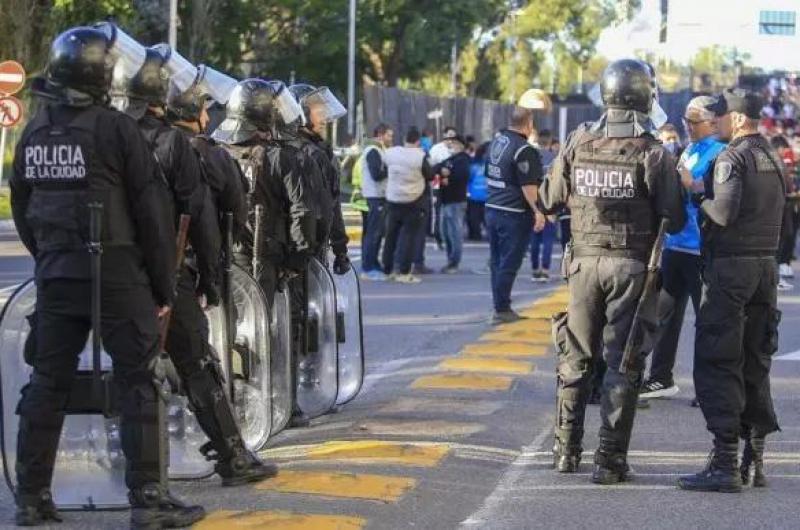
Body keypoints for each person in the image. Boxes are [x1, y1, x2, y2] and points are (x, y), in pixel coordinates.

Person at [10, 25, 205, 527]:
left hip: (57, 273)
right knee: (140, 381)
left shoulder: (36, 128)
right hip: (118, 272)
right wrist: (163, 287)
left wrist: (50, 257)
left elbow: (24, 207)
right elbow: (152, 218)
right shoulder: (115, 129)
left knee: (48, 381)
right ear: (103, 73)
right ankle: (149, 499)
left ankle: (32, 497)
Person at [539, 59, 685, 483]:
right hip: (632, 267)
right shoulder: (653, 150)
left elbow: (550, 198)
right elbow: (673, 218)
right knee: (623, 361)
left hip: (583, 264)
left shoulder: (578, 140)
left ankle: (565, 453)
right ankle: (609, 461)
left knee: (575, 356)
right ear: (643, 95)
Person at [164, 66, 278, 483]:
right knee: (198, 362)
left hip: (110, 272)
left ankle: (35, 492)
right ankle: (232, 457)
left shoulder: (126, 139)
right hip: (179, 271)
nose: (209, 116)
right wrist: (211, 281)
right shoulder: (204, 153)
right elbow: (219, 221)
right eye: (204, 108)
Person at [678, 88, 785, 493]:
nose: (717, 122)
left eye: (722, 116)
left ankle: (725, 463)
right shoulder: (771, 156)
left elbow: (722, 212)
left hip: (731, 270)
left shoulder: (732, 157)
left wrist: (695, 193)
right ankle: (753, 458)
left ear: (738, 119)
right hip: (765, 268)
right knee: (755, 361)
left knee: (719, 360)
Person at [640, 95, 727, 400]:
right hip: (675, 244)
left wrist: (691, 184)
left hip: (701, 248)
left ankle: (710, 386)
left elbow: (717, 193)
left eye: (695, 121)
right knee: (662, 315)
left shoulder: (722, 152)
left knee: (707, 320)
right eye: (687, 121)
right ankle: (660, 377)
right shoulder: (689, 149)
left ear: (713, 122)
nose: (689, 127)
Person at [212, 78, 317, 310]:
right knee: (262, 332)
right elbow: (304, 211)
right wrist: (296, 261)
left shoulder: (218, 154)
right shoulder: (280, 158)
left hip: (224, 255)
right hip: (266, 258)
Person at [485, 107, 546, 324]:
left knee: (497, 261)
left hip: (492, 207)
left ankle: (499, 304)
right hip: (514, 213)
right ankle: (502, 309)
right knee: (509, 262)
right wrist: (538, 211)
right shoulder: (523, 150)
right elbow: (528, 186)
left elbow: (489, 174)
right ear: (529, 124)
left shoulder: (497, 142)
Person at [288, 83, 352, 274]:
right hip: (311, 249)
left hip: (282, 251)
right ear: (302, 114)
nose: (325, 118)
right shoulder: (317, 155)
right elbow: (331, 206)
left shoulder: (278, 149)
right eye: (319, 111)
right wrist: (340, 251)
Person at [382, 128, 433, 283]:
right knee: (409, 237)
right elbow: (429, 175)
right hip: (413, 200)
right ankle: (404, 272)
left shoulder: (391, 153)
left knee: (391, 236)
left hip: (392, 199)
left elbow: (385, 168)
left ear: (404, 138)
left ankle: (388, 269)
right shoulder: (421, 156)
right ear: (418, 141)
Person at [355, 124, 393, 281]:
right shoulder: (373, 151)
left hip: (375, 195)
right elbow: (376, 174)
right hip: (374, 196)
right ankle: (368, 267)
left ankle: (373, 264)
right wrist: (392, 168)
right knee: (373, 233)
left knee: (375, 233)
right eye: (389, 135)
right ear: (381, 135)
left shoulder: (377, 150)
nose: (391, 139)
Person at [435, 134, 470, 273]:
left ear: (461, 145)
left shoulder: (463, 160)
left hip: (456, 200)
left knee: (455, 233)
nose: (450, 145)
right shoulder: (450, 159)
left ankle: (454, 262)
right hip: (445, 200)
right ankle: (450, 259)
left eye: (453, 143)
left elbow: (462, 175)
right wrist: (442, 172)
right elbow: (437, 167)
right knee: (446, 232)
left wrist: (449, 176)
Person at [467, 142, 490, 241]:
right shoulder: (490, 165)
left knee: (474, 216)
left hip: (474, 193)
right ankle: (489, 234)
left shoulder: (473, 165)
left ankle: (476, 235)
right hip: (487, 194)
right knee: (487, 216)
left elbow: (469, 179)